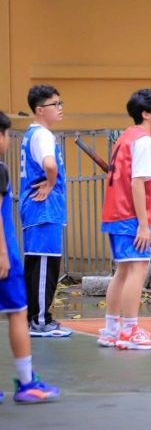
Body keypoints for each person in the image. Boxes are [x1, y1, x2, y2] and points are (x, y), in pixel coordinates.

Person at [96, 89, 151, 350]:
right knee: (137, 269)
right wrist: (143, 224)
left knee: (123, 270)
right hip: (129, 215)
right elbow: (138, 183)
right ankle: (130, 331)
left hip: (115, 212)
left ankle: (112, 329)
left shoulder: (126, 136)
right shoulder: (144, 141)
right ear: (146, 114)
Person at [0, 110, 61, 403]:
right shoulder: (1, 169)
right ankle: (26, 383)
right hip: (5, 256)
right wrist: (2, 252)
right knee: (18, 313)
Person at [19, 85, 72, 338]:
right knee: (44, 266)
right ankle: (39, 321)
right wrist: (51, 183)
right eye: (55, 104)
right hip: (44, 210)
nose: (60, 108)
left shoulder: (32, 134)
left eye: (60, 103)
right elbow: (50, 164)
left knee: (38, 265)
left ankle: (35, 317)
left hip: (39, 211)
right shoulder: (43, 135)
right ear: (40, 110)